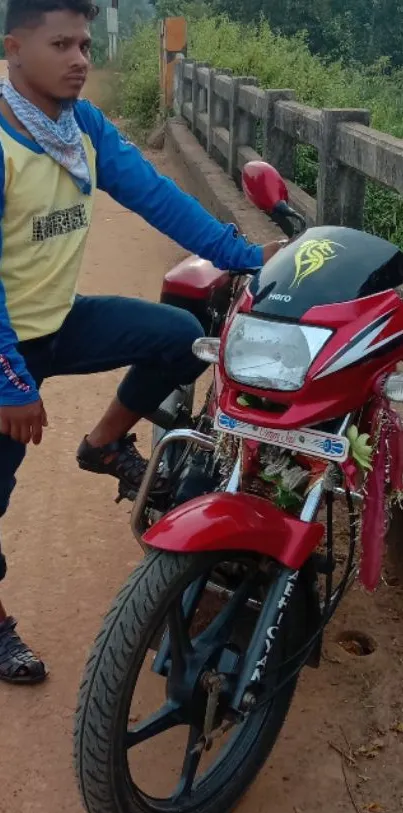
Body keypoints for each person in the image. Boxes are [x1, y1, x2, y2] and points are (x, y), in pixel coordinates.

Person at [0, 0, 283, 685]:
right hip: (8, 343)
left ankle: (101, 445)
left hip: (58, 321)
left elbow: (157, 196)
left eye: (86, 45)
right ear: (13, 48)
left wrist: (250, 257)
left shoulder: (78, 128)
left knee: (178, 336)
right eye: (61, 44)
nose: (79, 60)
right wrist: (10, 383)